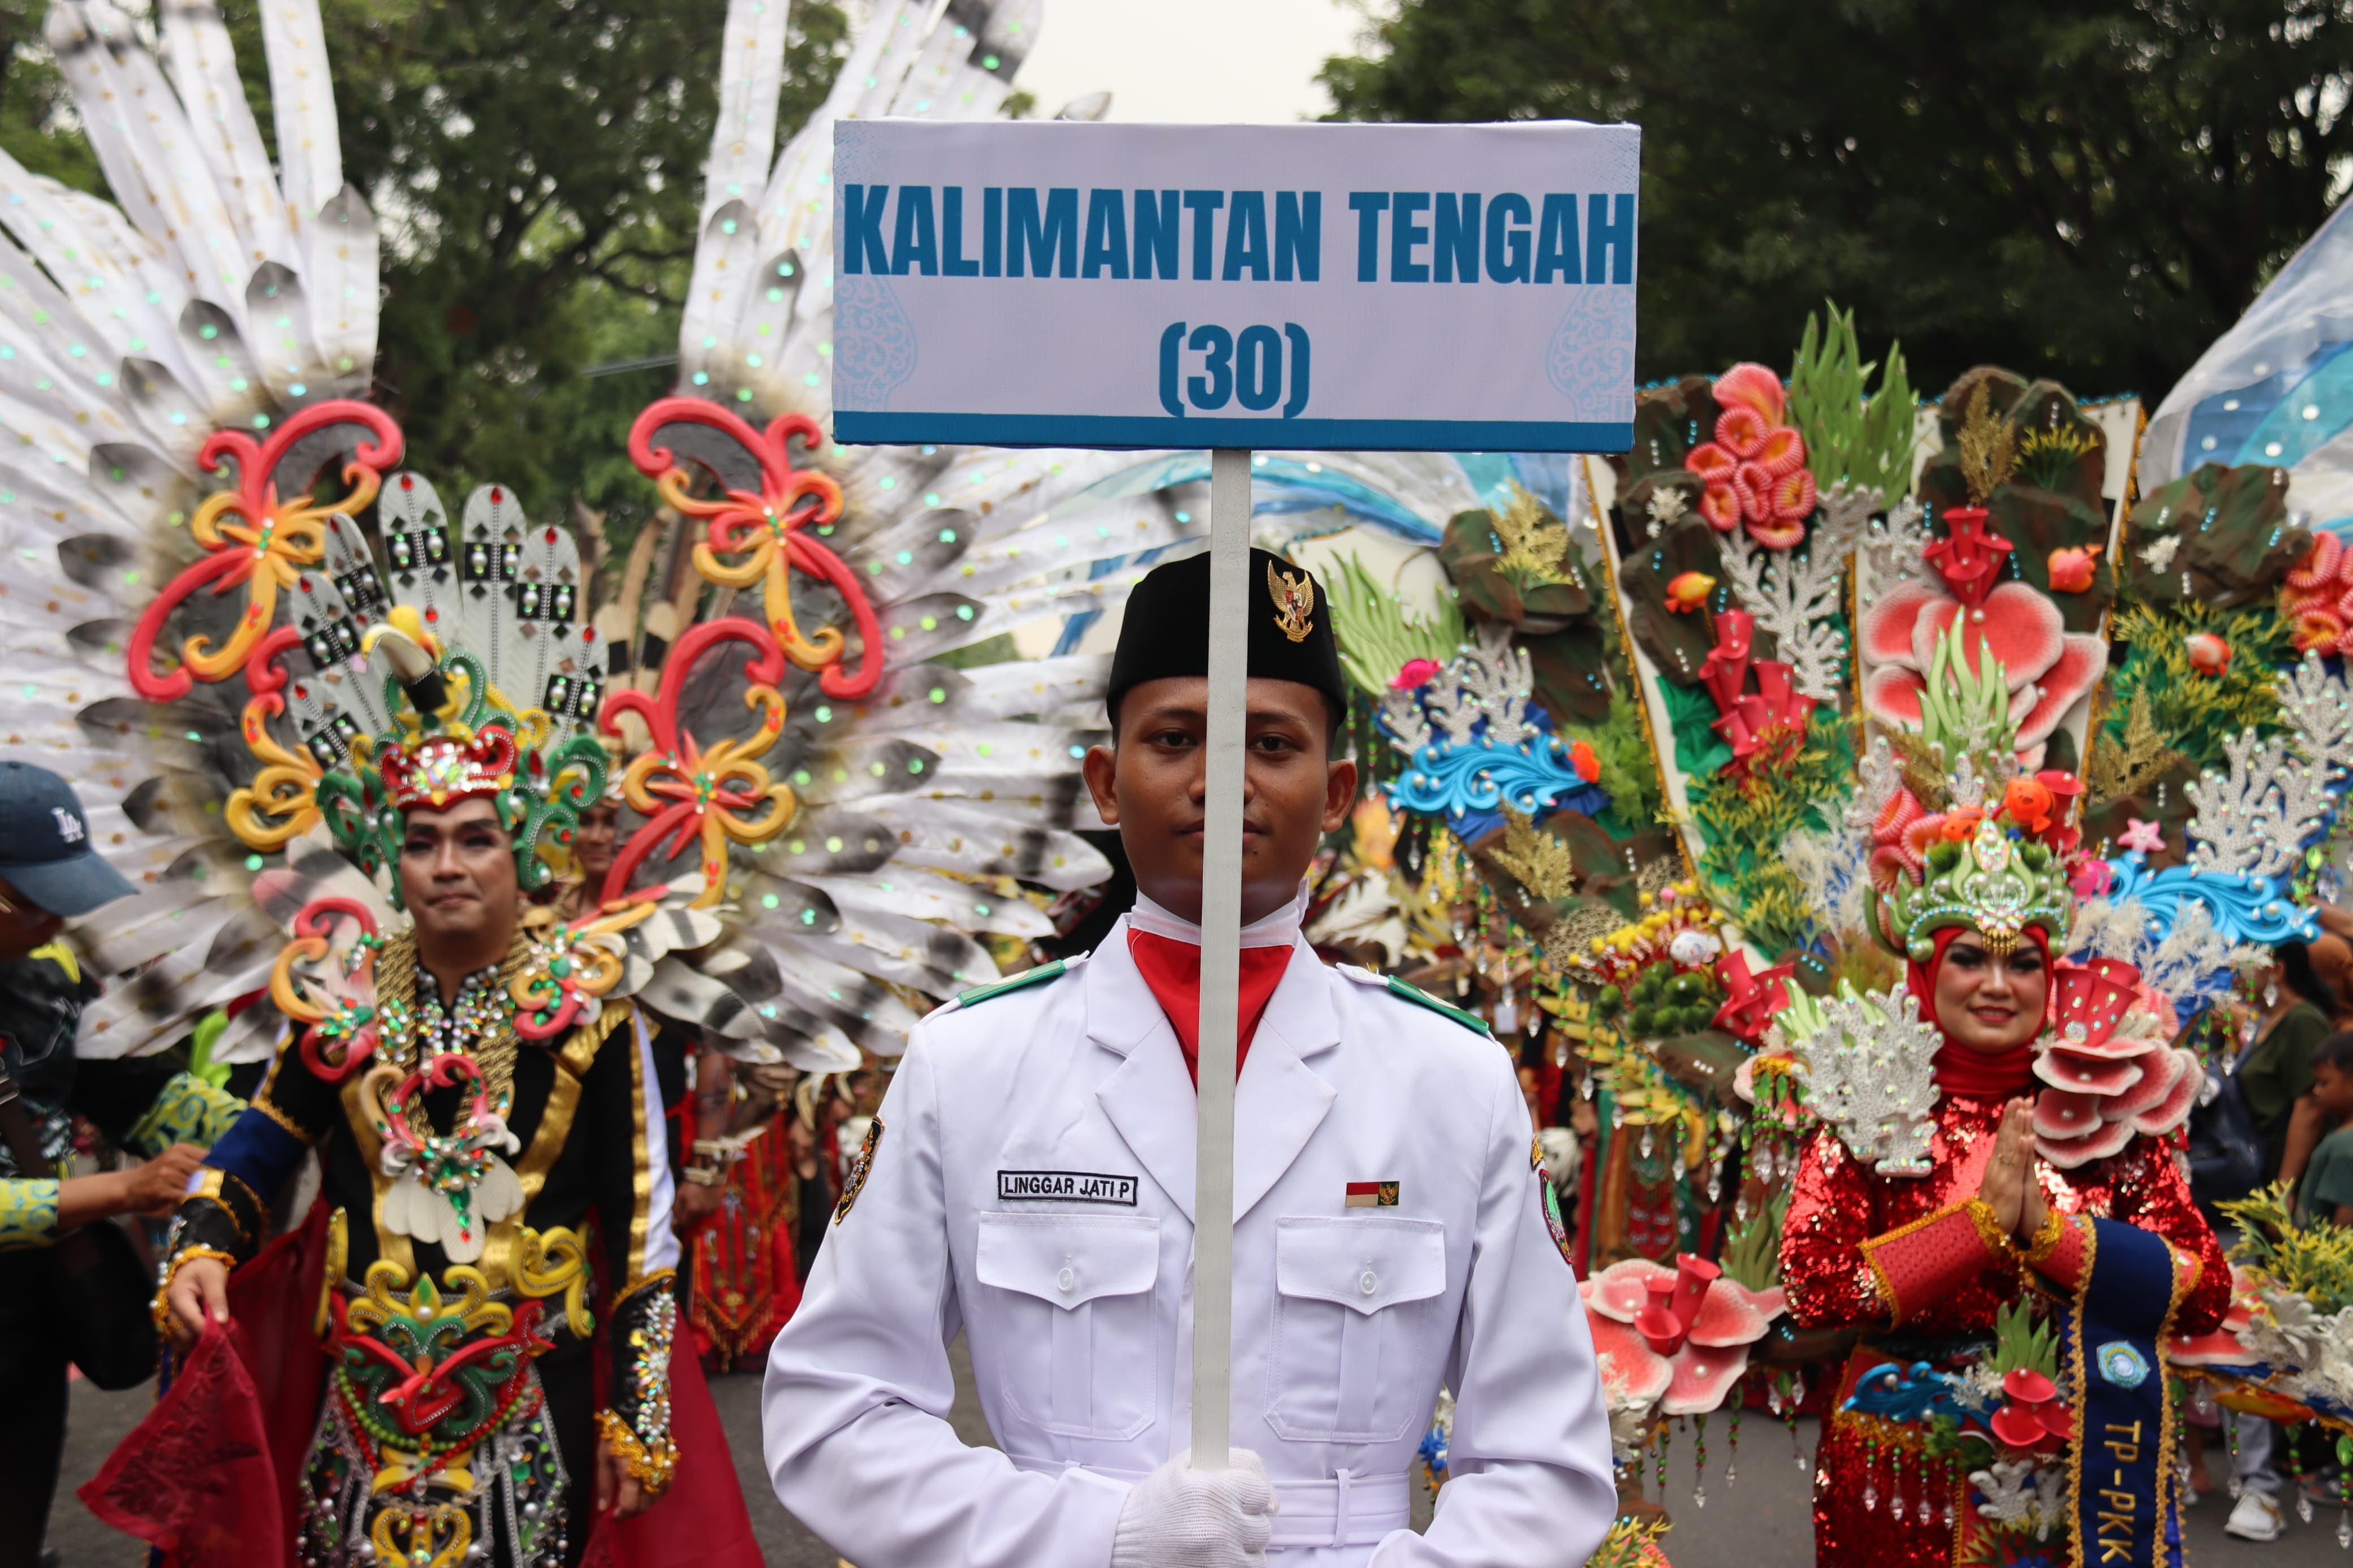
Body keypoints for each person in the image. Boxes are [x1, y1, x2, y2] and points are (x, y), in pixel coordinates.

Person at [762, 548, 1616, 1568]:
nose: (1224, 779)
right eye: (1174, 739)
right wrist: (1097, 1536)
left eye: (1271, 742)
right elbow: (836, 1413)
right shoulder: (971, 1063)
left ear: (1336, 788)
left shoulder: (1451, 1082)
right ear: (1105, 781)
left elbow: (1548, 1463)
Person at [150, 624, 713, 1568]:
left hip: (536, 1391)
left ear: (524, 851)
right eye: (422, 841)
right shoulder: (342, 1001)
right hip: (364, 1396)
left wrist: (640, 1408)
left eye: (475, 837)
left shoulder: (593, 1016)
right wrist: (205, 1242)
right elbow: (263, 1141)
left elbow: (643, 1231)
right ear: (393, 857)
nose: (447, 863)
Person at [1782, 791, 2229, 1568]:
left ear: (2051, 978)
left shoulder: (2105, 1113)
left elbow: (2203, 1289)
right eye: (1969, 957)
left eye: (2023, 962)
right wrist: (1974, 1227)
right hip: (1904, 1467)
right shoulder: (1866, 1106)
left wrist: (2052, 1240)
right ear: (1926, 967)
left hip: (2079, 1462)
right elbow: (1813, 1289)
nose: (1997, 983)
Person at [0, 762, 243, 1568]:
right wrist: (122, 1190)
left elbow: (125, 1090)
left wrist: (279, 1127)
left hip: (26, 1322)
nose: (56, 921)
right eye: (36, 901)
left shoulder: (53, 974)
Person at [2291, 1032, 2353, 1224]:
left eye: (2324, 1083)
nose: (2317, 1091)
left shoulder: (2344, 1149)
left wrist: (2318, 1255)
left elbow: (2343, 1229)